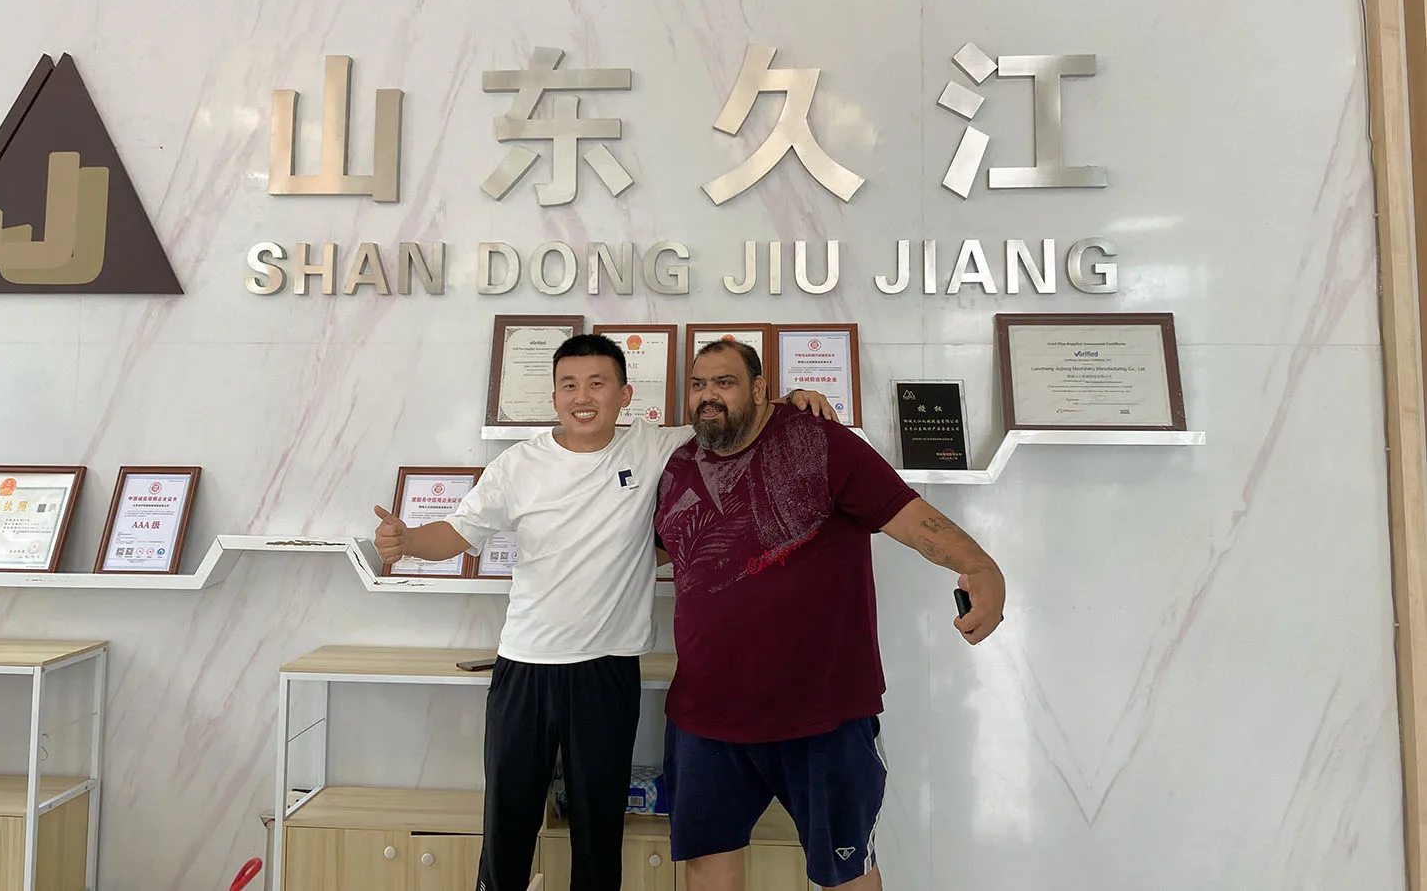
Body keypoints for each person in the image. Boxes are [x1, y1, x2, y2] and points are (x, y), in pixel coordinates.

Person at [373, 333, 836, 891]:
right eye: (569, 385)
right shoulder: (517, 466)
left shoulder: (653, 447)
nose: (582, 397)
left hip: (607, 671)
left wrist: (793, 400)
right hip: (525, 666)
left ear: (625, 395)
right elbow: (457, 532)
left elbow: (729, 416)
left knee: (598, 828)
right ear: (554, 398)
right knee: (508, 822)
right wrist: (407, 541)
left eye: (597, 383)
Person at [653, 339, 1007, 891]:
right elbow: (650, 552)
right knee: (707, 867)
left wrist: (979, 566)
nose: (708, 396)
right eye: (699, 385)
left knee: (846, 875)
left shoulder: (819, 440)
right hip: (705, 715)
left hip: (823, 714)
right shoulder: (678, 466)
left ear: (759, 389)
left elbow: (907, 515)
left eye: (724, 382)